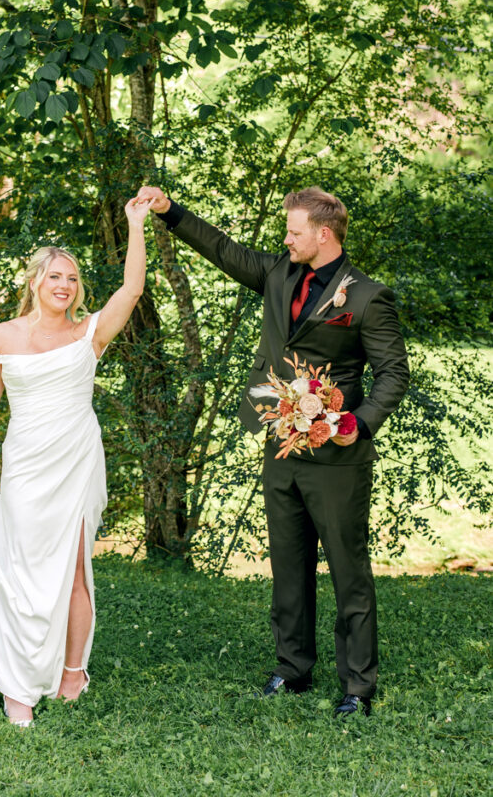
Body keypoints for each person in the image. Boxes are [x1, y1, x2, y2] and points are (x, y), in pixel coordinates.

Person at [136, 184, 409, 718]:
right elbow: (223, 250)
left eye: (294, 231)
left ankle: (358, 686)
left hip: (336, 454)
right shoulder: (279, 272)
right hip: (280, 445)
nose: (285, 239)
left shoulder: (368, 296)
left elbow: (393, 374)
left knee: (348, 569)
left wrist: (360, 422)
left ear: (323, 235)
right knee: (288, 562)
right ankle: (292, 669)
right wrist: (171, 213)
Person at [0, 197, 152, 726]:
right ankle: (18, 681)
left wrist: (135, 225)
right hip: (25, 463)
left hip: (77, 460)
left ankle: (72, 671)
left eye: (71, 278)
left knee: (73, 571)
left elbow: (132, 289)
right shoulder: (4, 335)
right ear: (34, 282)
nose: (64, 286)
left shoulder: (88, 333)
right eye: (54, 277)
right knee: (26, 571)